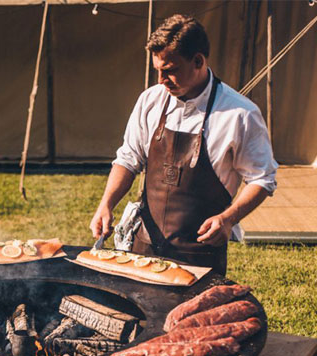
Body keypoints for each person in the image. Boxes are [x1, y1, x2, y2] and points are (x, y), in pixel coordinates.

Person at [89, 14, 277, 275]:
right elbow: (128, 159)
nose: (161, 80)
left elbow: (262, 178)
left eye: (170, 71)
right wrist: (106, 204)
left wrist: (229, 218)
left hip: (200, 255)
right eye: (158, 70)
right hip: (145, 246)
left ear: (198, 61)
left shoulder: (240, 114)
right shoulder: (150, 101)